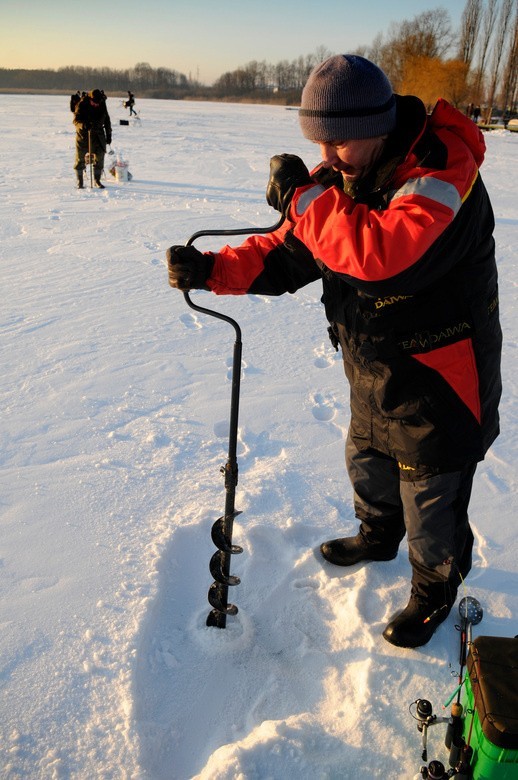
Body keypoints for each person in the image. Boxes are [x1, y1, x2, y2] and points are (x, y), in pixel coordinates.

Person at [166, 55, 502, 648]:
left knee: (432, 498)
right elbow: (294, 248)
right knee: (368, 459)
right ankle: (377, 536)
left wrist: (303, 197)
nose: (327, 156)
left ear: (377, 125)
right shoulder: (348, 172)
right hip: (374, 364)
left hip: (441, 379)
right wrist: (214, 269)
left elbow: (382, 259)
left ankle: (433, 590)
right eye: (319, 142)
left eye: (339, 142)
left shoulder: (442, 171)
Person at [73, 88, 112, 189]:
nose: (96, 105)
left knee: (100, 155)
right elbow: (76, 121)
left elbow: (107, 120)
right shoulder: (81, 104)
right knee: (80, 158)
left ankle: (97, 180)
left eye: (98, 103)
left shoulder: (102, 103)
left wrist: (109, 135)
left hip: (98, 134)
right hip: (83, 135)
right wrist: (84, 125)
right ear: (90, 99)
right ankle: (80, 181)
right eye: (94, 103)